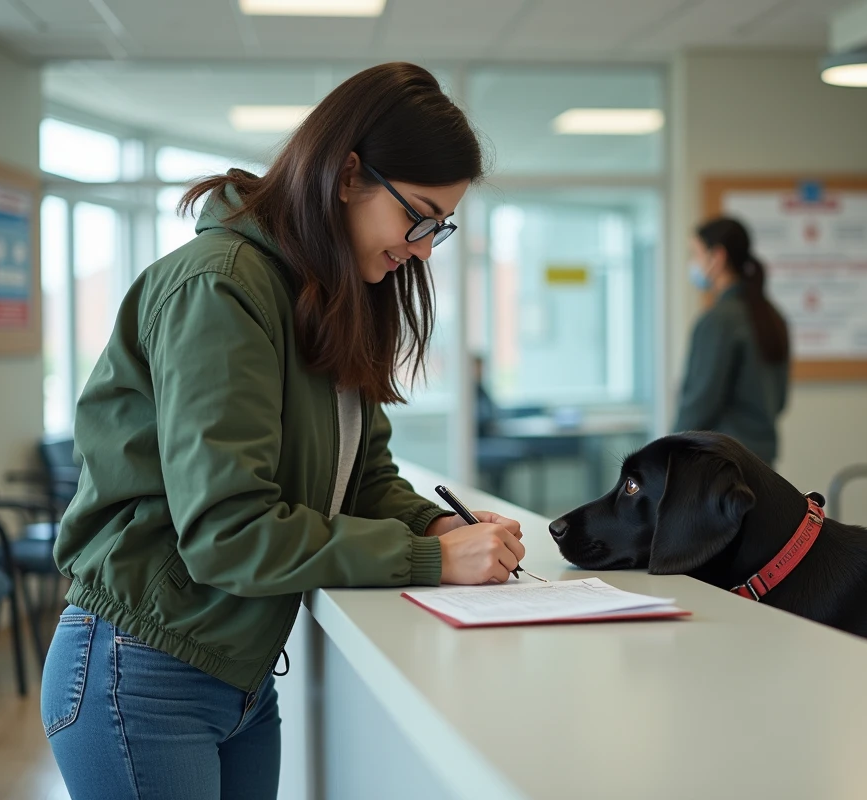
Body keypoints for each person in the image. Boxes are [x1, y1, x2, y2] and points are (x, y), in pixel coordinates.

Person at [41, 62, 525, 800]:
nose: (425, 248)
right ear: (347, 176)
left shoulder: (327, 295)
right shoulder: (221, 285)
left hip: (236, 674)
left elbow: (360, 483)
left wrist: (435, 527)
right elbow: (227, 531)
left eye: (441, 228)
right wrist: (430, 563)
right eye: (419, 217)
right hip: (139, 672)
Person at [675, 217, 791, 466]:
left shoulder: (719, 320)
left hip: (722, 466)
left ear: (716, 257)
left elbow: (699, 405)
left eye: (695, 254)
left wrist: (668, 454)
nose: (692, 264)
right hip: (762, 464)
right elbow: (779, 399)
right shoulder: (772, 316)